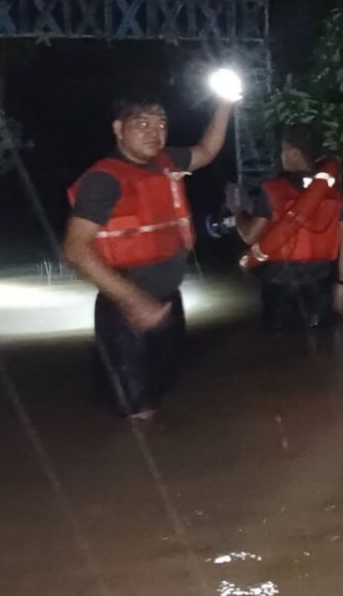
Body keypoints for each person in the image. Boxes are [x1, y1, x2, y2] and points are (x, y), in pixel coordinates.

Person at [63, 91, 233, 419]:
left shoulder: (166, 162)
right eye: (142, 124)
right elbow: (75, 249)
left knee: (162, 391)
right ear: (118, 129)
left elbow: (207, 151)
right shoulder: (104, 180)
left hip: (166, 299)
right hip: (127, 307)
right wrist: (135, 301)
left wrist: (224, 103)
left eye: (161, 124)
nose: (154, 132)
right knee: (136, 412)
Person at [235, 124, 343, 335]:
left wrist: (237, 212)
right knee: (322, 350)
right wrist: (342, 284)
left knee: (282, 356)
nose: (281, 155)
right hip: (320, 284)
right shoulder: (333, 193)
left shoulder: (273, 190)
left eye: (283, 149)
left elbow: (249, 235)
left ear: (294, 153)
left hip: (279, 284)